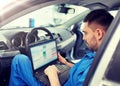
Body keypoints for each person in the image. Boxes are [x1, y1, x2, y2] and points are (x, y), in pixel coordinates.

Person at [9, 9, 113, 86]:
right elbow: (81, 70)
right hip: (65, 79)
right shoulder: (98, 55)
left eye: (85, 33)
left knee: (19, 61)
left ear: (99, 34)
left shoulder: (100, 68)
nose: (84, 38)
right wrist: (65, 63)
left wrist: (52, 75)